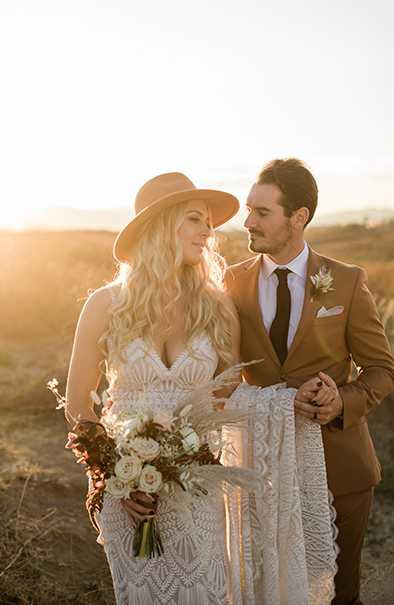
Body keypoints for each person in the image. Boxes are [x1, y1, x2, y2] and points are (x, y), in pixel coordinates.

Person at [225, 158, 394, 605]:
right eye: (249, 210)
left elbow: (382, 369)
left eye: (262, 213)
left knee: (339, 596)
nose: (249, 222)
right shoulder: (231, 283)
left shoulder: (345, 281)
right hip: (262, 468)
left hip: (340, 467)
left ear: (298, 217)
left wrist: (342, 401)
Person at [65, 172, 242, 605]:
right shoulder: (106, 304)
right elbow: (77, 404)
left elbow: (229, 395)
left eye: (209, 223)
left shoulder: (218, 307)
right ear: (161, 226)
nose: (208, 231)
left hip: (197, 492)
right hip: (130, 501)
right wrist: (119, 478)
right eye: (195, 219)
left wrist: (186, 455)